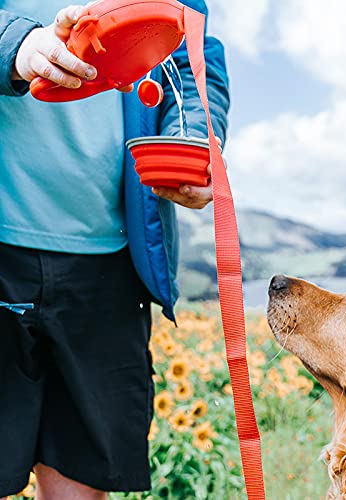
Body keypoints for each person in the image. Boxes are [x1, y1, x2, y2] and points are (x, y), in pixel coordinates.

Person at [0, 1, 229, 498]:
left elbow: (194, 61)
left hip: (112, 265)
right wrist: (14, 44)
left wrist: (188, 140)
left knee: (83, 483)